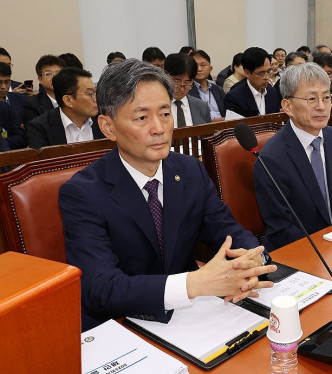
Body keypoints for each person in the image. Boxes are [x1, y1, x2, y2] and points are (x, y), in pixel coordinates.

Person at [58, 59, 277, 331]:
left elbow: (227, 229)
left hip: (191, 316)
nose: (159, 128)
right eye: (141, 117)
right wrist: (192, 284)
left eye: (165, 113)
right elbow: (100, 287)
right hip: (122, 324)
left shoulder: (189, 170)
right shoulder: (82, 193)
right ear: (108, 127)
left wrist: (250, 258)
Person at [254, 62, 332, 251]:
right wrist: (324, 247)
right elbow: (282, 228)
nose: (322, 107)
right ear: (287, 106)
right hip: (297, 251)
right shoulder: (272, 158)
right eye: (311, 99)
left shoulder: (331, 137)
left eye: (327, 97)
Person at [26, 67, 104, 149]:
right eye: (90, 93)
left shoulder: (106, 120)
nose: (96, 99)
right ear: (68, 100)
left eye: (95, 92)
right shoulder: (40, 128)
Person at [223, 47, 281, 117]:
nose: (266, 77)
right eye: (261, 73)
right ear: (247, 73)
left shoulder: (272, 92)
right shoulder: (234, 97)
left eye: (269, 71)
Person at [164, 53, 211, 128]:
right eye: (177, 81)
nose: (182, 87)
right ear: (165, 76)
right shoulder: (155, 106)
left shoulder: (202, 107)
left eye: (187, 82)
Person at [22, 55, 65, 125]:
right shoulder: (32, 106)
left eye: (58, 73)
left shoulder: (74, 98)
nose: (54, 77)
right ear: (40, 79)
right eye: (48, 74)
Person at [188, 50, 226, 119]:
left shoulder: (218, 90)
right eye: (195, 66)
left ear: (210, 69)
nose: (199, 69)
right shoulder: (187, 91)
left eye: (203, 65)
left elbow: (227, 113)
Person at [0, 62, 28, 148]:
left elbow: (21, 138)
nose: (3, 87)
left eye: (7, 82)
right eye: (0, 82)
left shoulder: (7, 106)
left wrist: (2, 143)